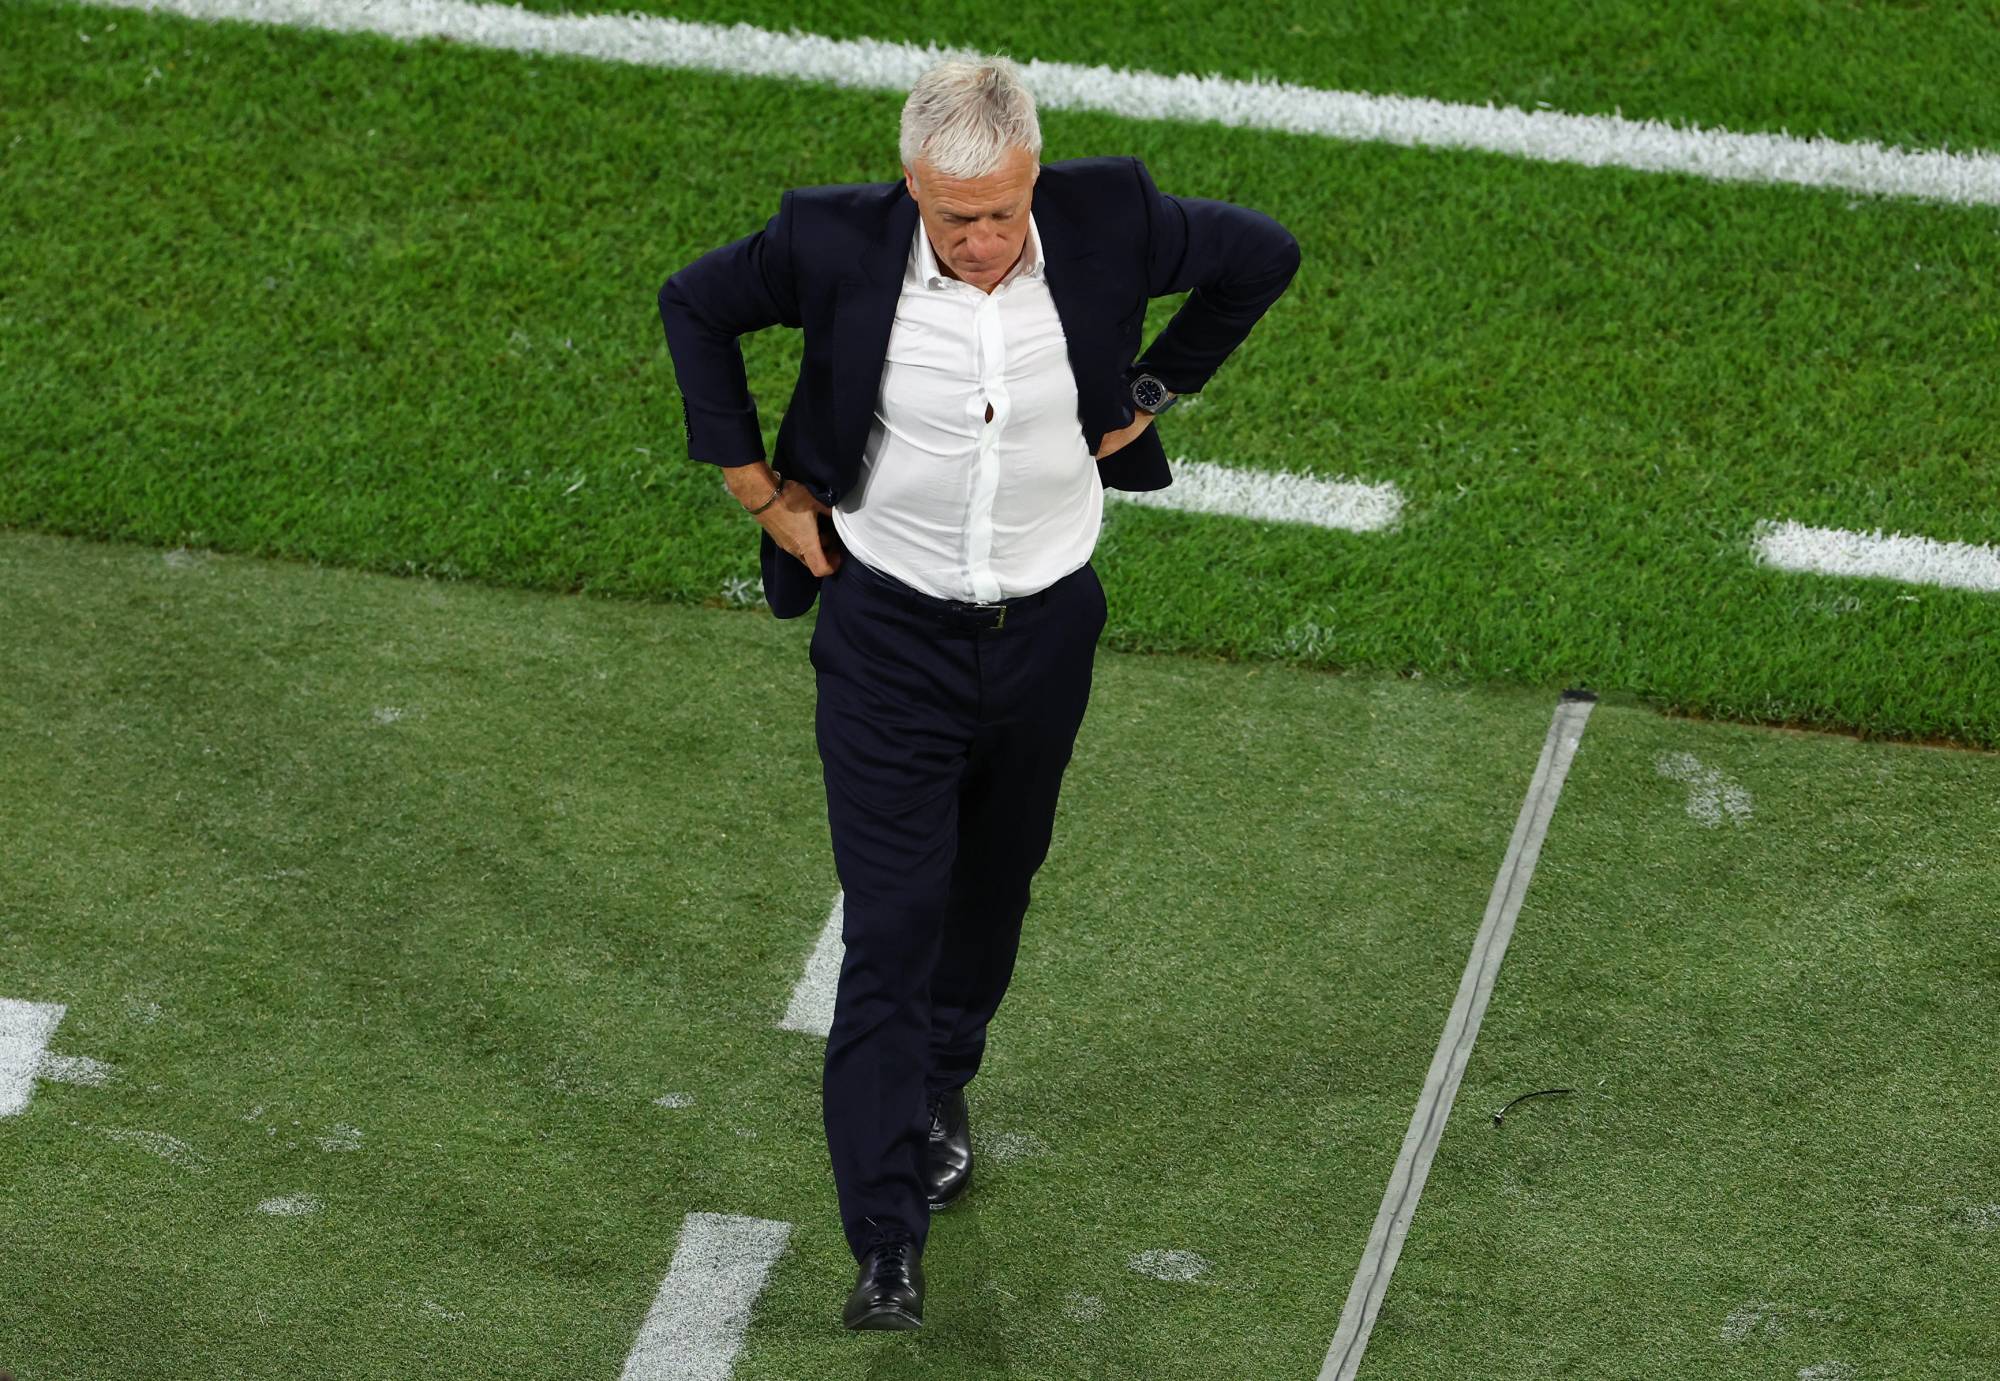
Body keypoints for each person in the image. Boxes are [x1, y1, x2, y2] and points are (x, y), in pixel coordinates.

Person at [658, 54, 1299, 1332]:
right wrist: (751, 485)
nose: (983, 240)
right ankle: (885, 1240)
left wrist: (1153, 389)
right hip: (886, 638)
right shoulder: (829, 239)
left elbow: (1260, 256)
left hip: (1045, 633)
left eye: (1002, 211)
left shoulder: (1112, 215)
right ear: (911, 186)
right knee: (889, 928)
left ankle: (943, 1076)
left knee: (994, 885)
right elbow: (695, 303)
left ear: (1031, 177)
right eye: (955, 218)